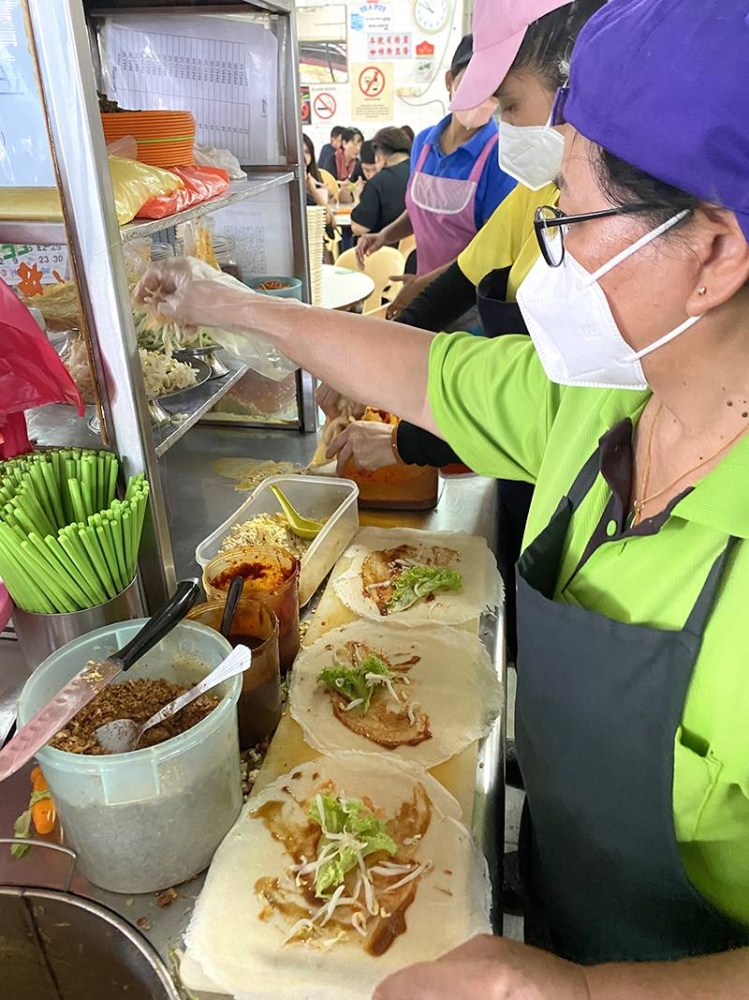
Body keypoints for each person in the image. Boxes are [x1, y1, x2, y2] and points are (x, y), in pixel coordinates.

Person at [137, 1, 749, 990]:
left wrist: (589, 991)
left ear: (713, 253)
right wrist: (227, 304)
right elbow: (419, 370)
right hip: (560, 898)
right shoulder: (602, 401)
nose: (545, 259)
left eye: (568, 218)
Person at [329, 0, 600, 663]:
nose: (503, 125)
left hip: (574, 470)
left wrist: (407, 436)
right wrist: (368, 365)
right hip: (519, 462)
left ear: (577, 88)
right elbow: (454, 284)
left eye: (510, 105)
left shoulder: (608, 217)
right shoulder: (538, 193)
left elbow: (548, 398)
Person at [355, 35, 516, 292]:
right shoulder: (423, 143)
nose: (481, 96)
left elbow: (489, 248)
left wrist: (426, 285)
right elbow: (422, 210)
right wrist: (384, 235)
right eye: (472, 83)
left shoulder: (499, 155)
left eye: (492, 88)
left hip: (470, 295)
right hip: (425, 284)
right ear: (449, 80)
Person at [351, 127, 412, 242]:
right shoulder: (422, 173)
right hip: (421, 248)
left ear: (380, 158)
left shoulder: (378, 182)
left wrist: (357, 197)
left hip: (385, 249)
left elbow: (359, 228)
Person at [320, 126, 364, 191]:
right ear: (344, 143)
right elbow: (328, 185)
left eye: (360, 145)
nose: (358, 148)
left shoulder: (358, 164)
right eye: (354, 144)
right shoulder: (332, 161)